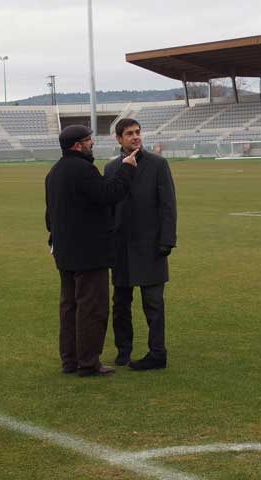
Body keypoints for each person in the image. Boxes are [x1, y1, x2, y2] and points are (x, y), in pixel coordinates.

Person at [45, 124, 138, 377]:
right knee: (92, 308)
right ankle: (88, 362)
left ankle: (70, 360)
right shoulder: (83, 170)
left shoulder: (54, 173)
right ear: (78, 145)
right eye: (88, 140)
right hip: (89, 254)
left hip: (65, 253)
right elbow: (109, 194)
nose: (92, 144)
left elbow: (49, 216)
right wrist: (127, 169)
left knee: (69, 308)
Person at [104, 118, 177, 371]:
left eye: (137, 132)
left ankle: (157, 353)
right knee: (121, 303)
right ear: (119, 139)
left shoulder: (158, 164)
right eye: (129, 133)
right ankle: (124, 350)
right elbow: (108, 209)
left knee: (153, 303)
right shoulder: (111, 168)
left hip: (151, 246)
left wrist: (167, 240)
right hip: (121, 247)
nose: (135, 137)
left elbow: (168, 204)